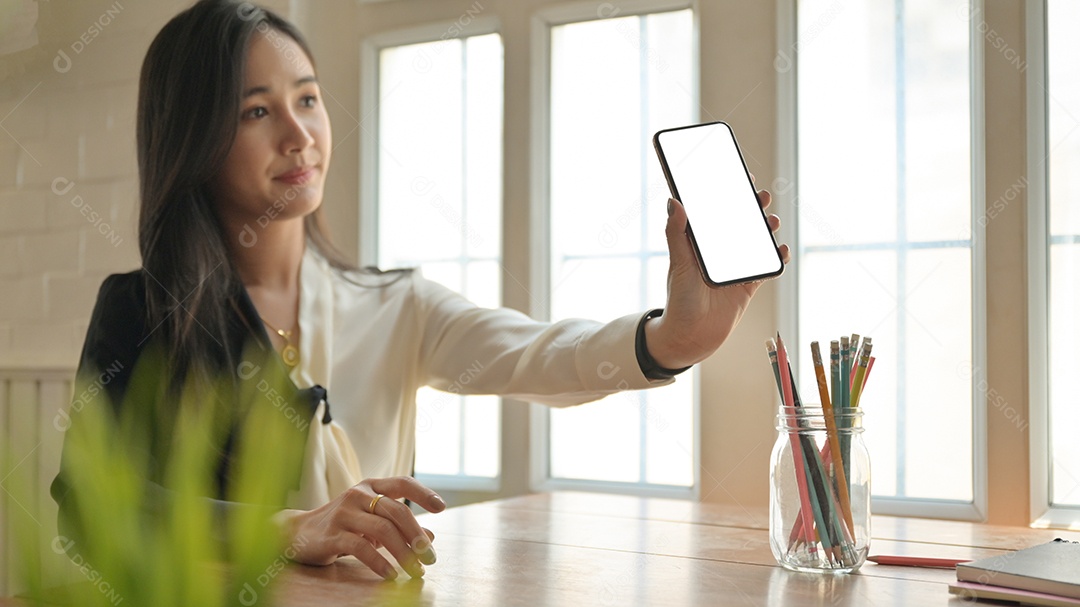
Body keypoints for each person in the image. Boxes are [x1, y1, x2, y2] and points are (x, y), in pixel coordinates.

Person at [51, 0, 789, 583]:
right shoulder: (140, 310)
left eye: (307, 99)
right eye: (256, 111)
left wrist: (676, 339)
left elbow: (539, 352)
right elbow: (88, 508)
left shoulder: (394, 305)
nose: (298, 134)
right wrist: (292, 526)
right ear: (193, 136)